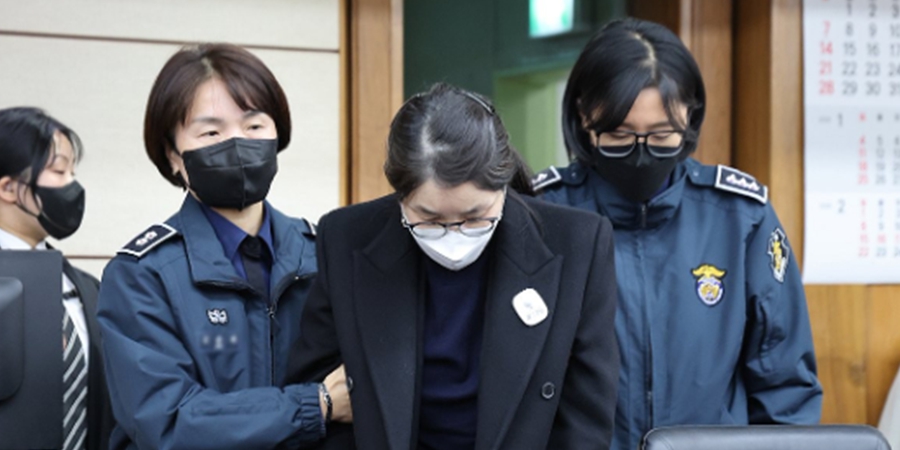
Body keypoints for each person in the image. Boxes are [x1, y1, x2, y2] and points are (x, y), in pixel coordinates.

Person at [532, 18, 823, 450]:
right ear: (583, 117)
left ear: (691, 115)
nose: (640, 154)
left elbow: (784, 384)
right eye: (619, 135)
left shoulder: (740, 217)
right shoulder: (543, 215)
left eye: (661, 135)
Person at [286, 83, 619, 449]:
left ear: (502, 186)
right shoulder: (346, 237)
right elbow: (319, 383)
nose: (454, 235)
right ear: (400, 195)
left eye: (475, 218)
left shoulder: (576, 242)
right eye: (429, 220)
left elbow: (585, 415)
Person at [97, 43, 350, 450]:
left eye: (254, 126)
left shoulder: (323, 255)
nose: (238, 143)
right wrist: (315, 405)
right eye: (211, 133)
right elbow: (167, 421)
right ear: (173, 155)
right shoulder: (142, 275)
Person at [0, 107, 114, 450]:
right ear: (8, 188)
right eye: (59, 171)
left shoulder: (87, 290)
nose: (72, 186)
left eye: (72, 172)